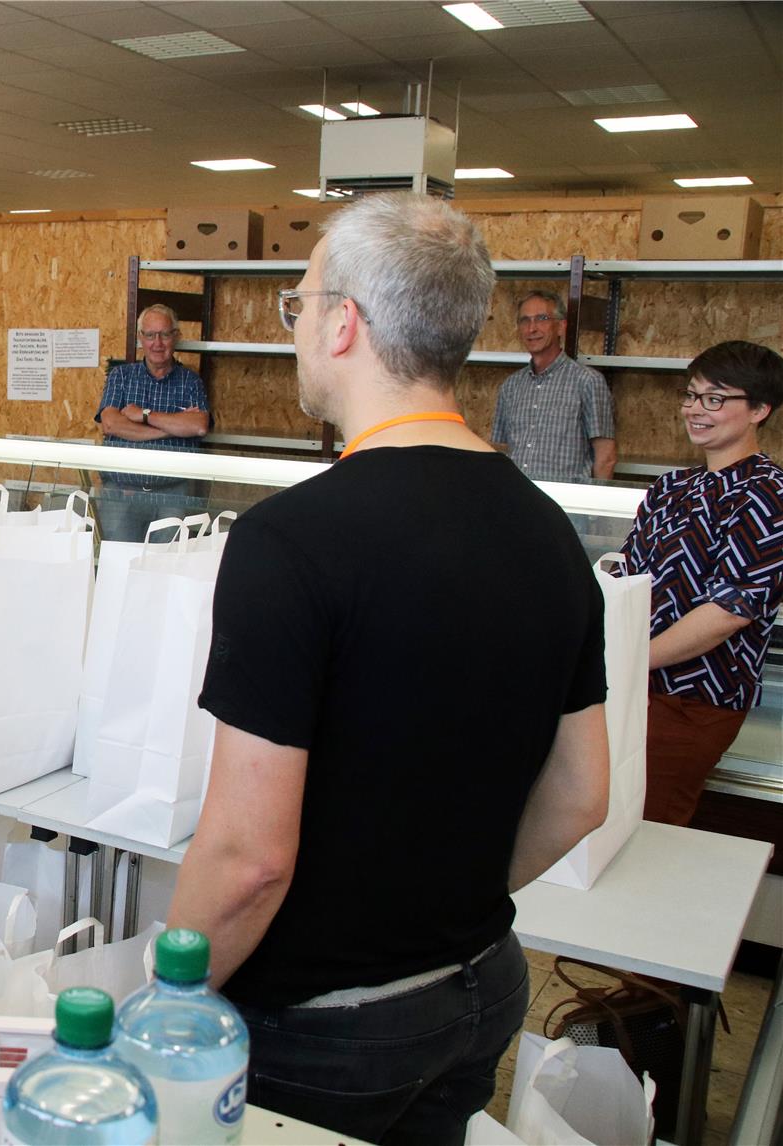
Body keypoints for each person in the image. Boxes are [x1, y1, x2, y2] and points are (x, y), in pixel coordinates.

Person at [168, 194, 611, 1144]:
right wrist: (438, 908)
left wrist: (163, 1001)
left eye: (297, 305)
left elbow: (248, 861)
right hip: (481, 985)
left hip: (325, 1028)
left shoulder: (290, 539)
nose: (293, 329)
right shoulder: (548, 532)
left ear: (343, 324)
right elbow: (581, 797)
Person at [619, 340, 783, 827]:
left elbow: (729, 611)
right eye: (691, 395)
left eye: (715, 398)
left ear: (759, 409)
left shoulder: (767, 493)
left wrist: (632, 659)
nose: (695, 409)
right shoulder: (671, 487)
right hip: (632, 685)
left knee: (650, 826)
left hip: (694, 700)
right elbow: (625, 576)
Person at [94, 304, 210, 541]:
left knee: (166, 561)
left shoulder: (190, 382)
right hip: (122, 492)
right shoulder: (121, 377)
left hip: (172, 494)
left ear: (175, 336)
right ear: (140, 338)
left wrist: (144, 415)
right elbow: (111, 424)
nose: (157, 343)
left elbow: (198, 426)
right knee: (118, 559)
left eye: (165, 334)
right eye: (150, 335)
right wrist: (171, 429)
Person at [492, 290, 616, 481]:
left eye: (542, 318)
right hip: (517, 496)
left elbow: (605, 458)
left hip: (564, 498)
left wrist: (596, 500)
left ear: (561, 327)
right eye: (525, 320)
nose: (532, 328)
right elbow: (500, 449)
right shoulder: (510, 387)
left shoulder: (587, 382)